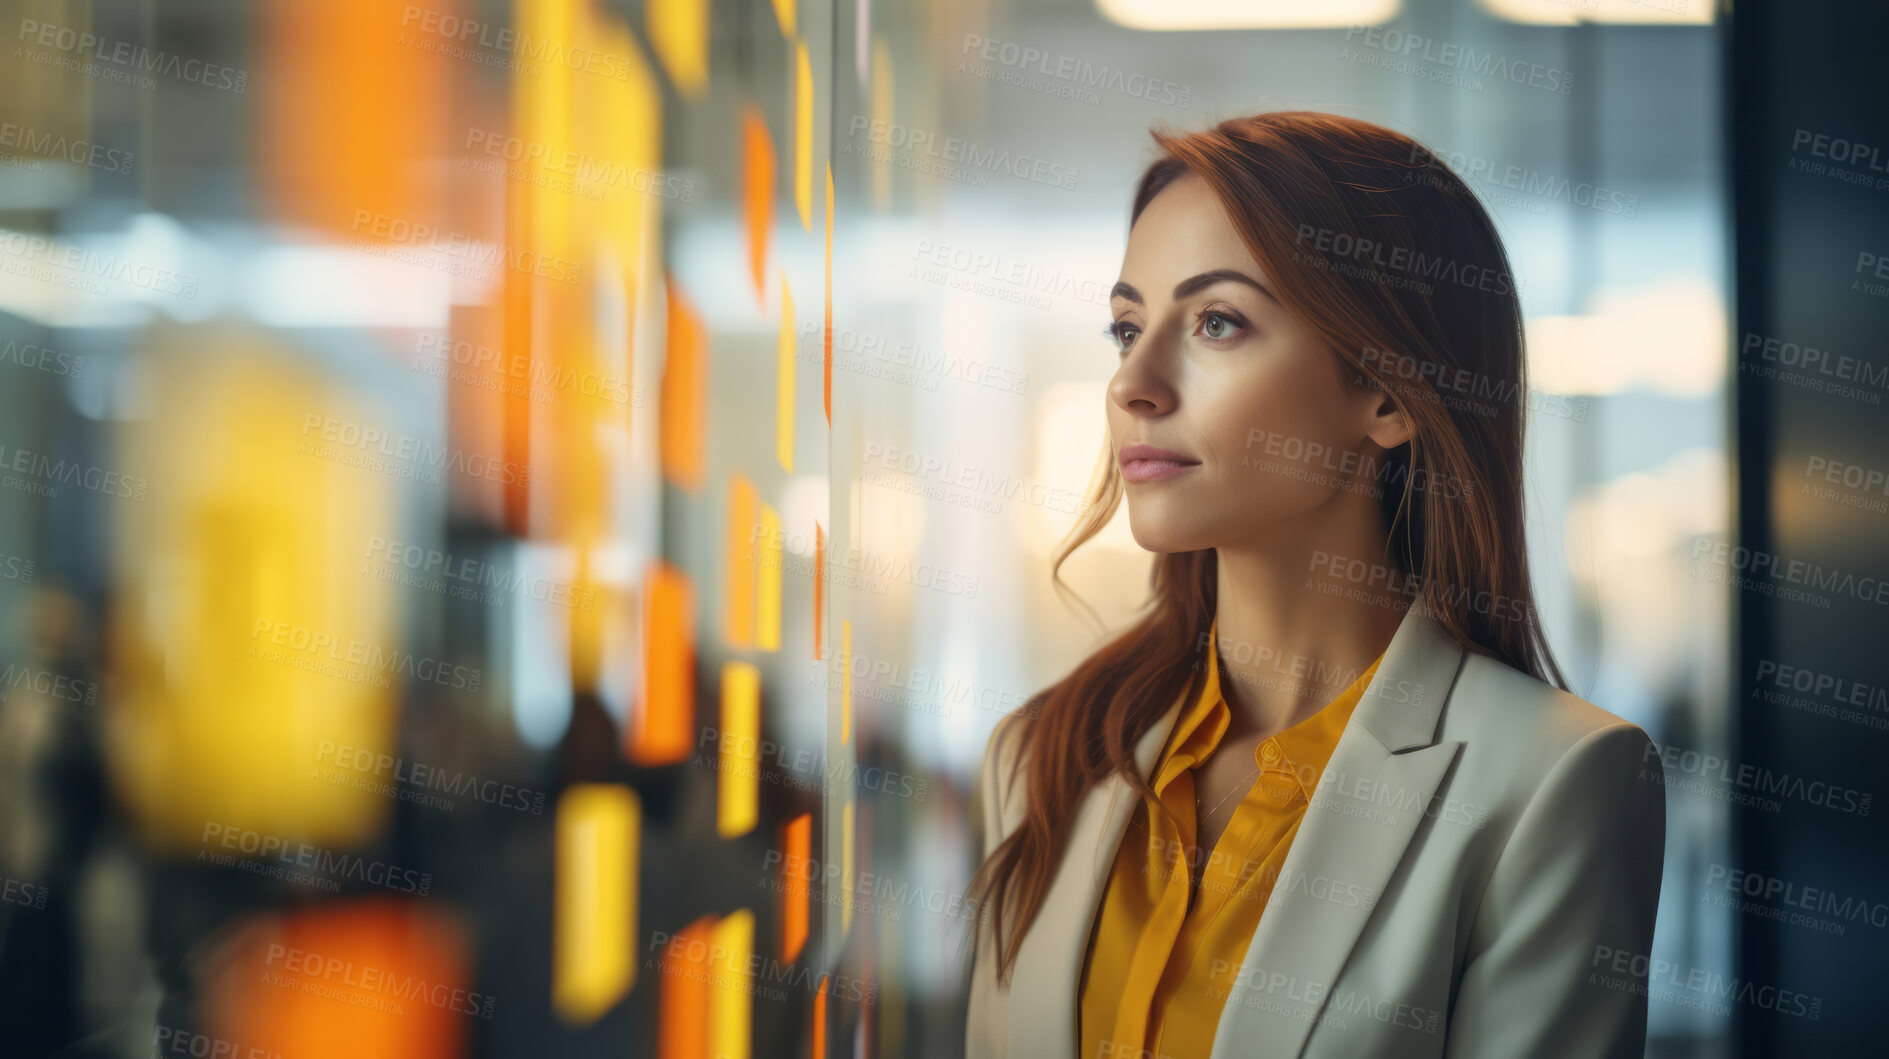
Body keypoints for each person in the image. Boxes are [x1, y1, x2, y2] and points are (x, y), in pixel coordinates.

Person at [960, 111, 1665, 1059]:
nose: (1133, 380)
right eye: (1125, 326)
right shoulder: (1043, 756)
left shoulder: (1553, 783)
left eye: (1216, 322)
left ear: (1388, 394)